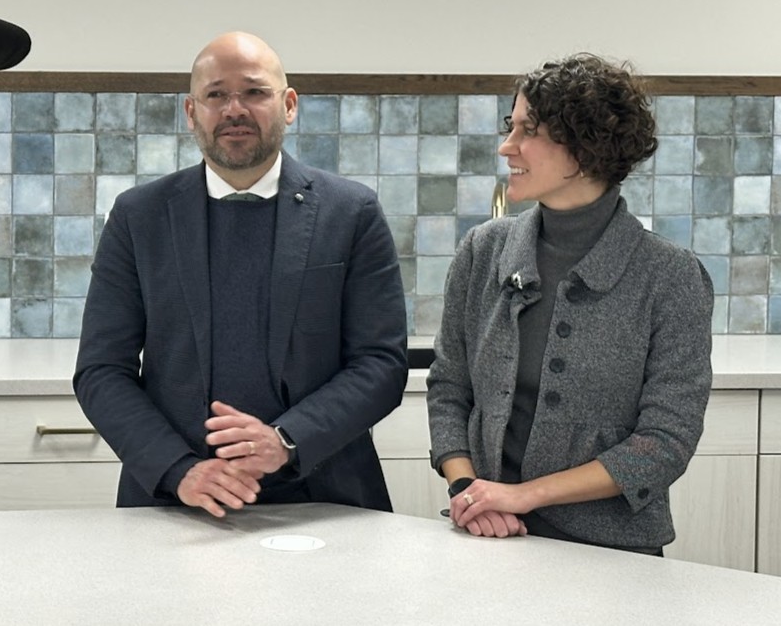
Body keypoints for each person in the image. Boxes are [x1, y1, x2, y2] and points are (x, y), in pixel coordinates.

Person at [74, 31, 408, 518]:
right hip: (177, 498)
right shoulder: (139, 216)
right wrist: (178, 469)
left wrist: (286, 440)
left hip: (325, 494)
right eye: (216, 95)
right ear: (191, 112)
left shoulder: (351, 212)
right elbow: (101, 370)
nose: (234, 109)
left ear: (288, 105)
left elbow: (381, 363)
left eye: (254, 92)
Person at [426, 53, 713, 555]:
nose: (506, 146)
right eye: (510, 127)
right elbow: (449, 389)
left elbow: (665, 442)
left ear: (585, 149)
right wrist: (468, 490)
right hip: (489, 539)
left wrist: (523, 496)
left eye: (529, 131)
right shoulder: (482, 251)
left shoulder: (671, 277)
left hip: (614, 557)